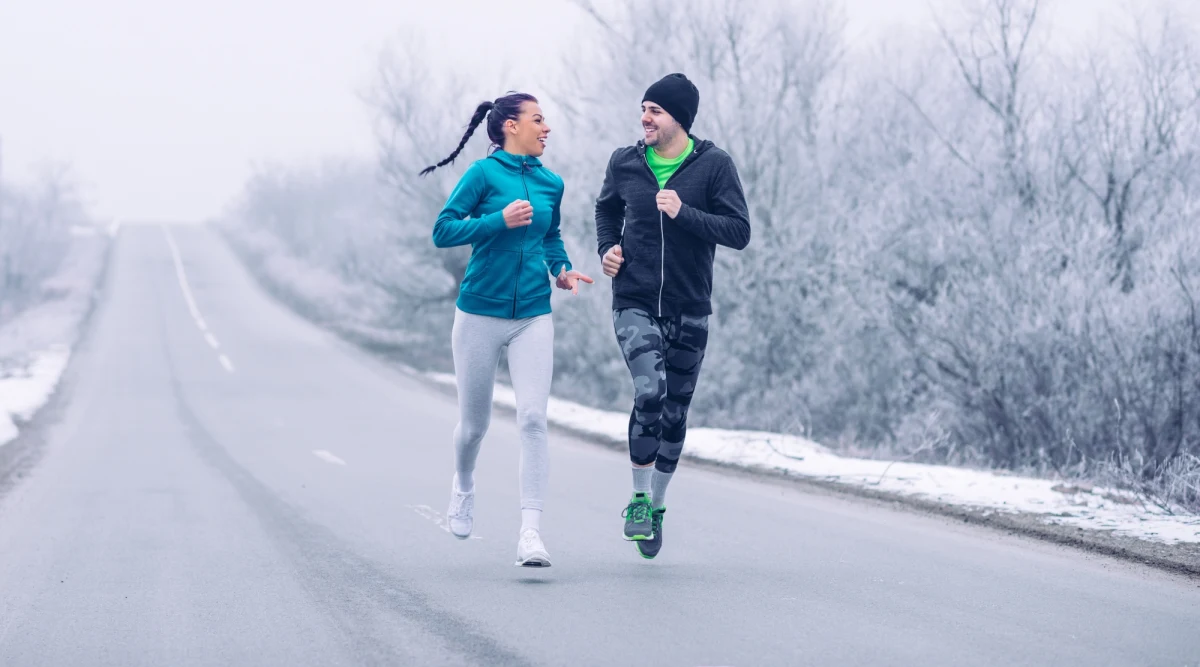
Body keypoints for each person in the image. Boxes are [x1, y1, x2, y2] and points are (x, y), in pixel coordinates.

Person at [421, 92, 593, 567]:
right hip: (478, 313)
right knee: (474, 426)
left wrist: (561, 269)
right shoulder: (482, 174)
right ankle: (463, 484)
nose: (547, 128)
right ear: (511, 127)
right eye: (538, 120)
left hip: (533, 315)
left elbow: (550, 235)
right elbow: (443, 230)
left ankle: (531, 534)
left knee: (534, 419)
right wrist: (497, 220)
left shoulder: (550, 182)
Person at [594, 73, 750, 560]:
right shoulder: (625, 162)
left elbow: (739, 230)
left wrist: (685, 213)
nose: (645, 117)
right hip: (634, 299)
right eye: (643, 108)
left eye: (655, 110)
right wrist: (607, 249)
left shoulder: (714, 166)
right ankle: (638, 500)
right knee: (650, 391)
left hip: (689, 307)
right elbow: (605, 211)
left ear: (678, 118)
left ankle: (657, 507)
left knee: (676, 412)